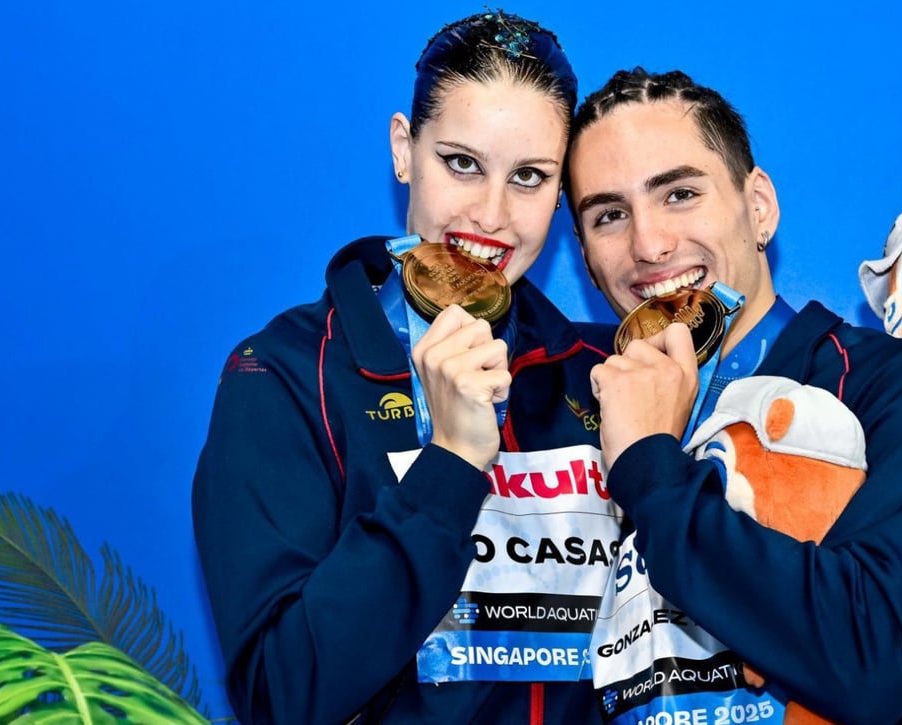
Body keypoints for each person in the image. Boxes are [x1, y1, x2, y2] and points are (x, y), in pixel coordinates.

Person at [564, 68, 902, 724]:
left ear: (759, 207)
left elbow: (867, 659)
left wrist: (650, 468)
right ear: (584, 255)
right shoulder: (576, 400)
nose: (648, 244)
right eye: (609, 214)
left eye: (679, 193)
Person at [192, 12, 616, 724]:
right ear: (402, 148)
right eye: (461, 163)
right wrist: (448, 464)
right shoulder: (283, 373)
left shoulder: (600, 372)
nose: (491, 214)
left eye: (530, 177)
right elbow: (281, 694)